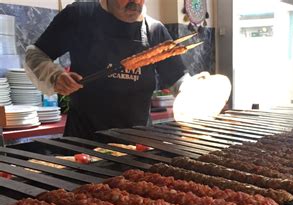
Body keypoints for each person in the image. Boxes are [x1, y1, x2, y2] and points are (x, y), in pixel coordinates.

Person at [25, 0, 188, 138]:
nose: (135, 2)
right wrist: (54, 75)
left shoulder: (154, 30)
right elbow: (35, 54)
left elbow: (178, 79)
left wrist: (192, 92)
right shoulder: (78, 15)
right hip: (84, 142)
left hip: (139, 144)